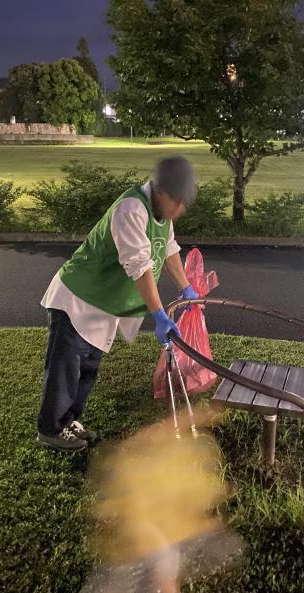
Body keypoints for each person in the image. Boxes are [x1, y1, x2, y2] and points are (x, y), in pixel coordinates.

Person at [37, 156, 200, 451]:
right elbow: (139, 265)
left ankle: (69, 422)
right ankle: (50, 429)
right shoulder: (132, 209)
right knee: (66, 369)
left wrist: (186, 286)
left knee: (87, 368)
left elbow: (170, 249)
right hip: (77, 299)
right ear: (160, 191)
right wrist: (159, 315)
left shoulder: (163, 215)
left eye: (184, 203)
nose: (180, 209)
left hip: (103, 306)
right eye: (177, 201)